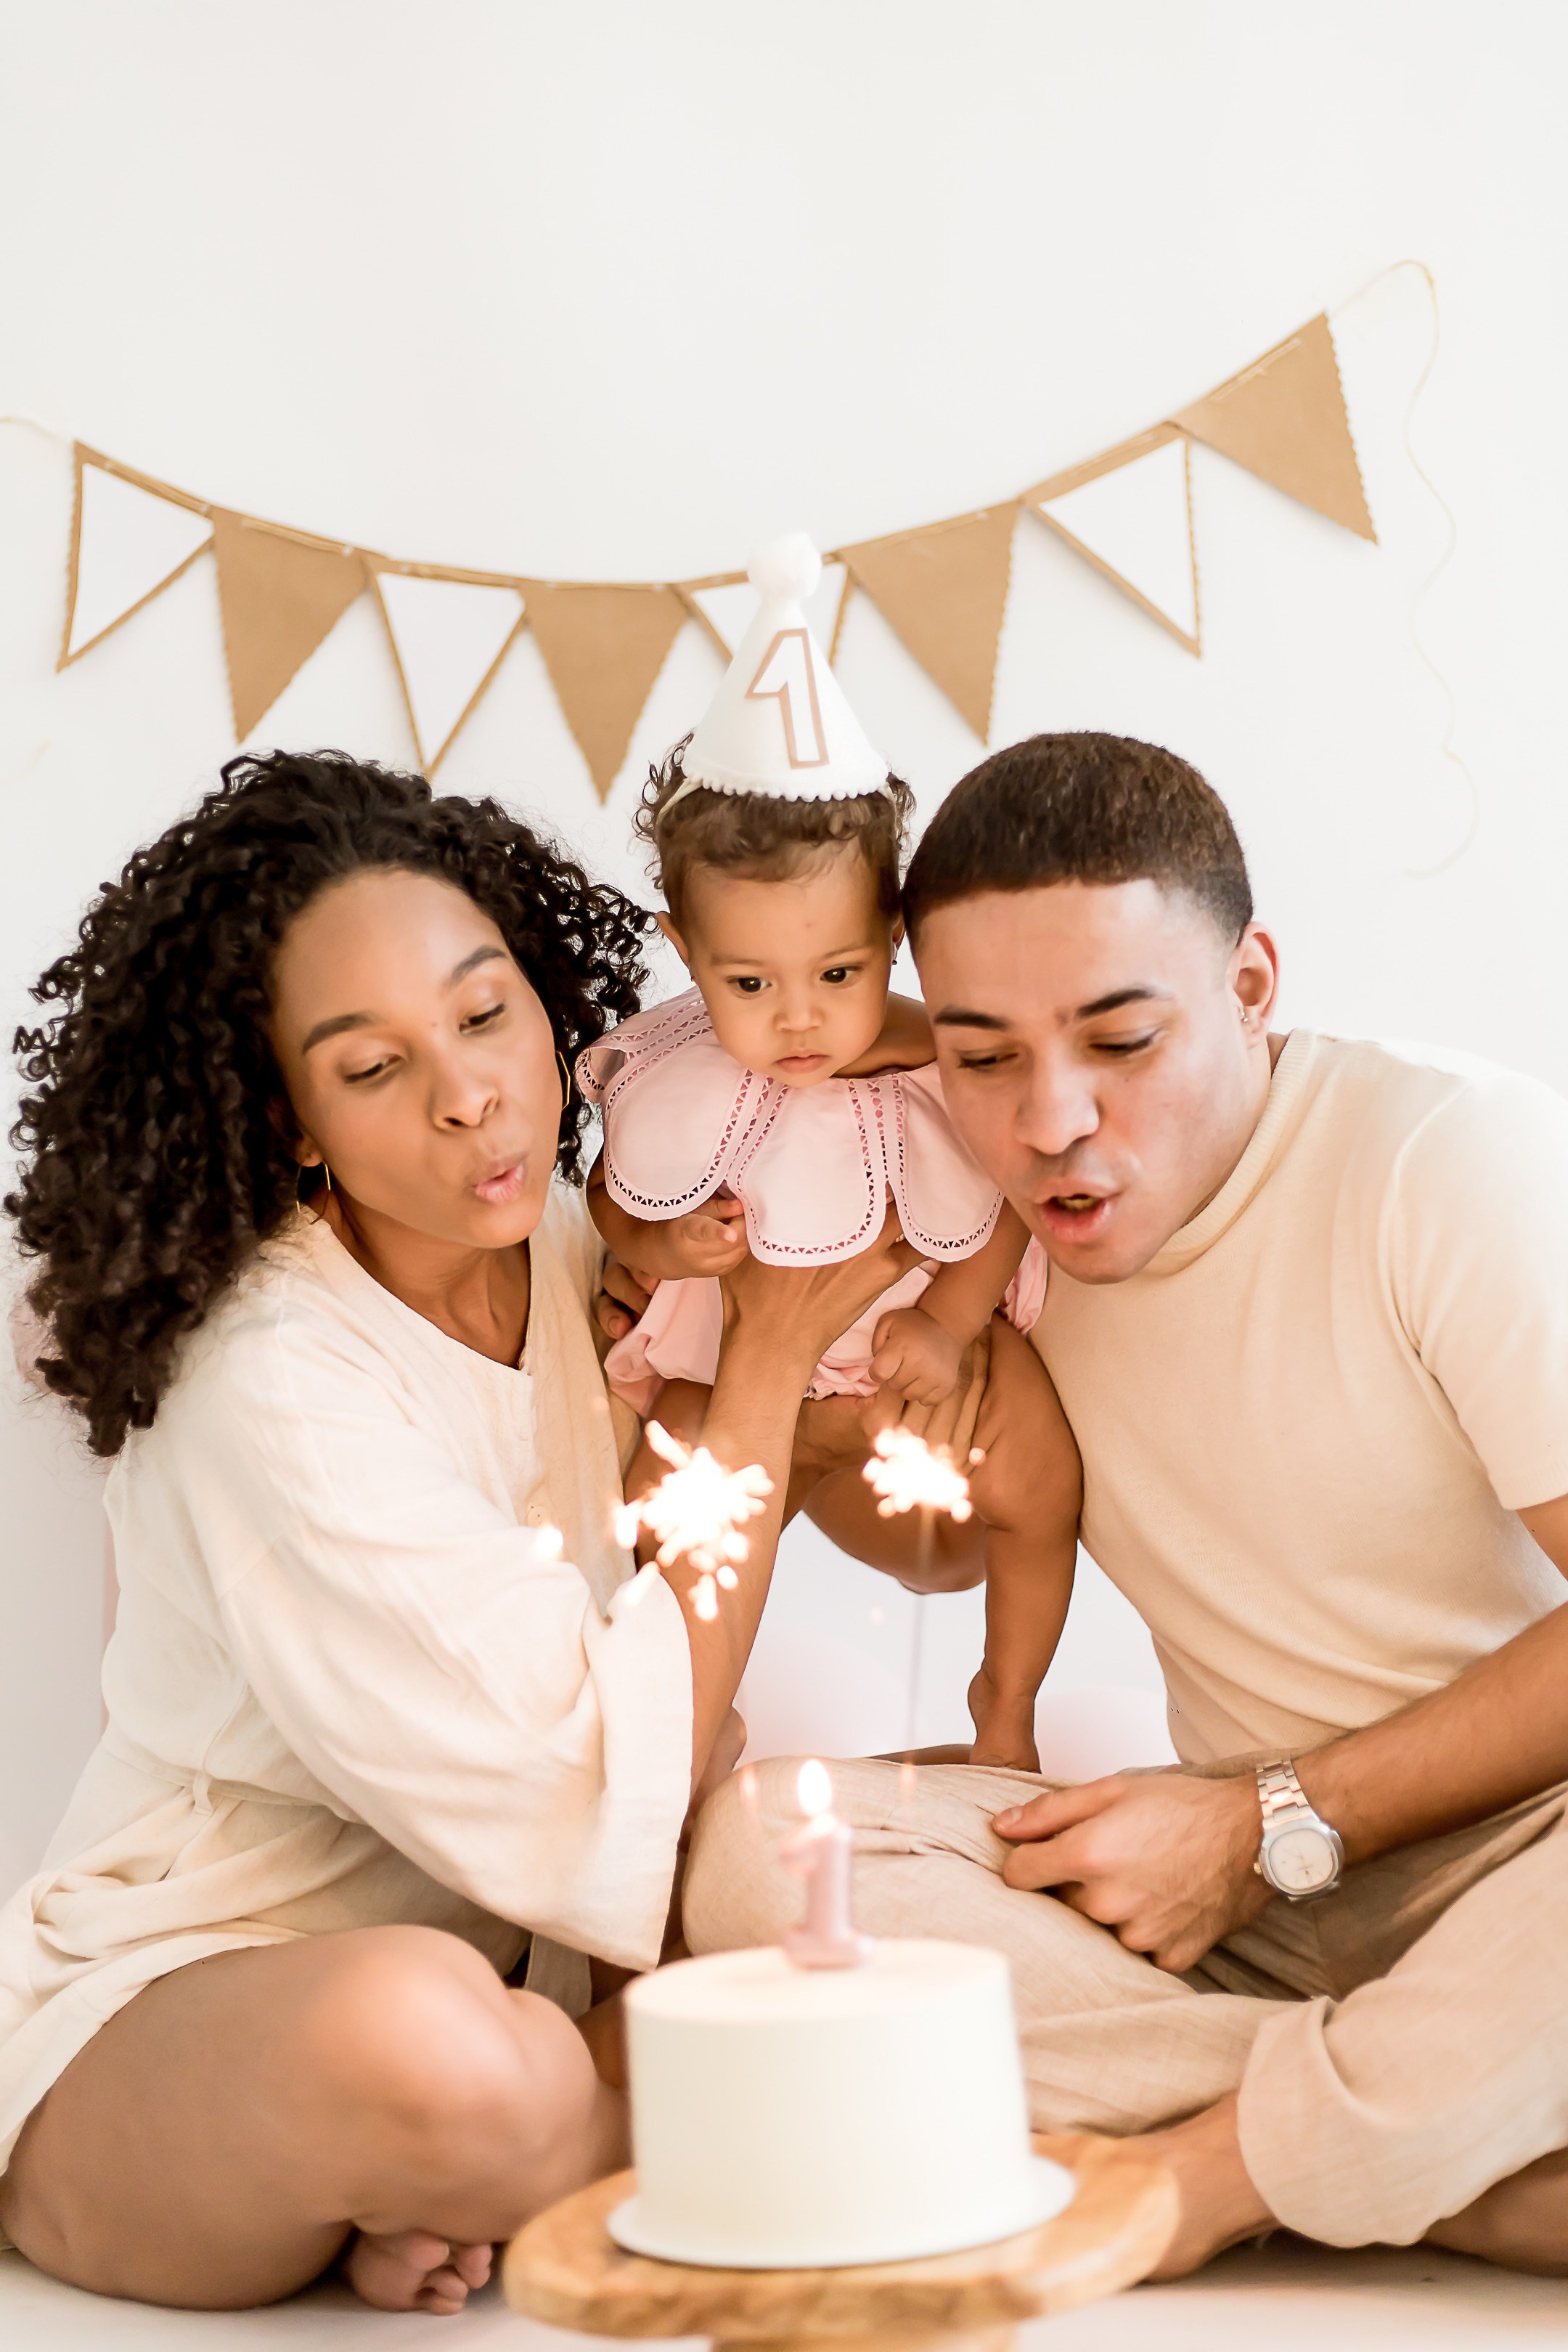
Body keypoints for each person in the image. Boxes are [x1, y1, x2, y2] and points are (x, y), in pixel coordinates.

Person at [0, 750, 915, 2314]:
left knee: (805, 1858)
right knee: (427, 2037)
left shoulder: (579, 1253)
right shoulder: (272, 1386)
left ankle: (475, 2179)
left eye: (487, 1015)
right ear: (291, 1121)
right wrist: (760, 1368)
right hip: (180, 2022)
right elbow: (607, 1750)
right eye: (373, 1070)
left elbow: (909, 1545)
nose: (470, 1094)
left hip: (524, 1979)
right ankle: (631, 2146)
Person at [685, 730, 1568, 2278]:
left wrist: (1266, 1819)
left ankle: (1217, 2172)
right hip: (1261, 1936)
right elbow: (941, 1552)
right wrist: (792, 1387)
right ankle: (1462, 2154)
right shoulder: (984, 1238)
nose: (1052, 1122)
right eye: (982, 1054)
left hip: (1513, 1867)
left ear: (1250, 984)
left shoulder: (1442, 1157)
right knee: (762, 1858)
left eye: (1121, 1040)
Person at [584, 537, 1080, 1768]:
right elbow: (610, 1190)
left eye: (840, 973)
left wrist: (956, 1322)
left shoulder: (945, 1065)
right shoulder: (673, 1066)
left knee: (1043, 1478)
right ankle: (671, 1743)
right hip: (728, 1366)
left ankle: (1005, 1707)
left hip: (914, 1351)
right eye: (749, 980)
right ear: (685, 953)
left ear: (895, 937)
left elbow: (1009, 1194)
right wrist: (655, 1239)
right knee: (658, 1503)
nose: (798, 1016)